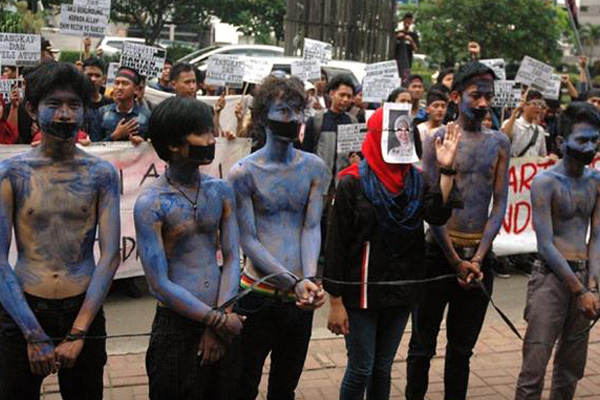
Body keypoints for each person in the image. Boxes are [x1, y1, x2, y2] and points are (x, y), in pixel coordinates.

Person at [0, 62, 120, 399]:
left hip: (82, 308)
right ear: (31, 109)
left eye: (74, 105)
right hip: (22, 309)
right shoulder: (12, 173)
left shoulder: (101, 174)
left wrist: (79, 332)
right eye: (54, 105)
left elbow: (110, 255)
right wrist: (31, 333)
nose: (65, 115)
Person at [325, 106, 460, 400]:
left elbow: (437, 214)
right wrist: (334, 300)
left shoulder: (417, 180)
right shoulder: (352, 182)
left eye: (404, 131)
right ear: (376, 136)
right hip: (361, 291)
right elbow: (335, 244)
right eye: (393, 131)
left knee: (383, 367)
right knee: (362, 367)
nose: (400, 136)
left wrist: (446, 168)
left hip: (401, 288)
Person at [406, 61, 510, 400]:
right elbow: (433, 204)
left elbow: (499, 204)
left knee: (462, 350)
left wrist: (478, 258)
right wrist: (454, 259)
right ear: (456, 96)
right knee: (422, 345)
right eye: (475, 95)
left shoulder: (499, 143)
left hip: (479, 261)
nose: (483, 103)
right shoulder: (438, 139)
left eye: (488, 96)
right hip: (437, 256)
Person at [134, 96, 245, 399]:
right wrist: (216, 320)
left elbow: (233, 255)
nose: (211, 140)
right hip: (177, 326)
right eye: (203, 133)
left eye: (211, 131)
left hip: (223, 313)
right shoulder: (152, 203)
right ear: (172, 144)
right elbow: (159, 284)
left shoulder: (220, 190)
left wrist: (221, 316)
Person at [228, 76, 327, 400]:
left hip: (299, 300)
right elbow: (249, 240)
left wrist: (308, 280)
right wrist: (292, 282)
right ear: (262, 115)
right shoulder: (244, 172)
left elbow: (311, 227)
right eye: (283, 109)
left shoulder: (314, 167)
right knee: (243, 382)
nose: (292, 118)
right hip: (257, 294)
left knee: (285, 387)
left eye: (298, 109)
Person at [514, 102, 600, 400]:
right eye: (582, 140)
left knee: (571, 368)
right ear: (562, 143)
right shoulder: (545, 182)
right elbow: (545, 244)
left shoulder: (596, 182)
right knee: (533, 369)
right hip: (550, 280)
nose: (589, 146)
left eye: (594, 140)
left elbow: (596, 237)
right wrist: (580, 290)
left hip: (584, 278)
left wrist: (592, 284)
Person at [301, 74, 357, 195]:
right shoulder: (316, 120)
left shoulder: (353, 122)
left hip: (342, 188)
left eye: (349, 96)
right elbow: (306, 153)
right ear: (331, 94)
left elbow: (356, 153)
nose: (346, 99)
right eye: (342, 95)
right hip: (318, 186)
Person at [99, 67, 150, 143]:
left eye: (125, 83)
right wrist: (114, 136)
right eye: (117, 83)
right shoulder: (102, 112)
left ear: (136, 89)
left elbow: (152, 146)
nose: (119, 87)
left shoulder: (147, 116)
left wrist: (142, 143)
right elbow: (93, 145)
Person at [502, 90, 548, 158]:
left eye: (541, 105)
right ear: (524, 106)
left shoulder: (540, 130)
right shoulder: (511, 123)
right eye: (535, 104)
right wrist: (514, 113)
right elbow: (503, 139)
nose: (539, 108)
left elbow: (542, 155)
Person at [82, 57, 113, 142]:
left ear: (104, 79)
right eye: (89, 75)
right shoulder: (75, 103)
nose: (93, 79)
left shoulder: (110, 105)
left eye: (97, 75)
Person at [395, 13, 419, 81]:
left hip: (407, 61)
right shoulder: (397, 32)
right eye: (406, 21)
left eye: (409, 21)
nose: (407, 23)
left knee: (405, 78)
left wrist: (411, 40)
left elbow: (416, 49)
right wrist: (397, 37)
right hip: (396, 59)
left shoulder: (413, 34)